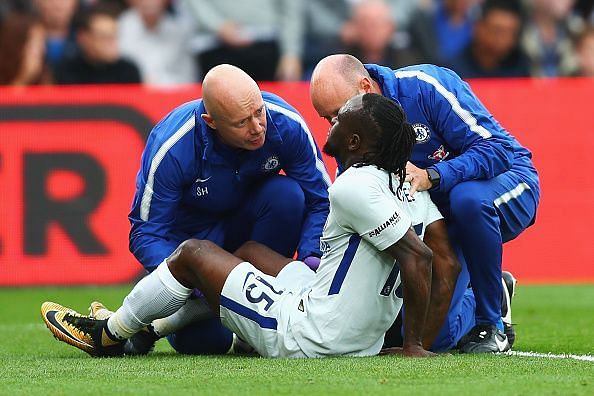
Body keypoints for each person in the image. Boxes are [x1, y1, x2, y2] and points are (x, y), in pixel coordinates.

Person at [42, 93, 453, 358]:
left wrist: (414, 346)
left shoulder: (353, 186)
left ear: (354, 143)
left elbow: (419, 257)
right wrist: (408, 341)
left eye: (340, 119)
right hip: (351, 332)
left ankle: (109, 334)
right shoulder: (410, 182)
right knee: (252, 255)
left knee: (193, 254)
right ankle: (153, 326)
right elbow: (445, 262)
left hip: (309, 333)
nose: (331, 121)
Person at [94, 63, 330, 356]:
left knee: (288, 195)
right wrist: (192, 281)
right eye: (242, 122)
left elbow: (321, 200)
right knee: (208, 344)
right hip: (196, 249)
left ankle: (263, 306)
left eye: (259, 112)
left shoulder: (286, 123)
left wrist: (310, 260)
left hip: (254, 240)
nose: (257, 128)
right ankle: (167, 313)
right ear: (211, 121)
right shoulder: (173, 146)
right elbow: (147, 232)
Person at [310, 54, 537, 353]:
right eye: (327, 118)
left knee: (466, 199)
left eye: (338, 113)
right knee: (434, 338)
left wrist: (434, 174)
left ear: (365, 87)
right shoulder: (353, 132)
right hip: (444, 220)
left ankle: (490, 323)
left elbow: (498, 149)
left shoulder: (425, 87)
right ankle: (494, 292)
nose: (334, 126)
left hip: (509, 182)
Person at [53, 3, 141, 84]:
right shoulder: (66, 71)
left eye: (114, 35)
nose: (112, 43)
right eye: (104, 37)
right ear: (83, 38)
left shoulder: (128, 71)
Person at [447, 0, 531, 78]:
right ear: (478, 28)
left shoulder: (521, 67)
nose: (504, 39)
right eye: (498, 31)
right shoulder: (454, 70)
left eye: (511, 33)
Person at [0, 13, 51, 85]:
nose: (43, 50)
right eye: (35, 43)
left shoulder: (45, 82)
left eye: (42, 43)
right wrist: (22, 80)